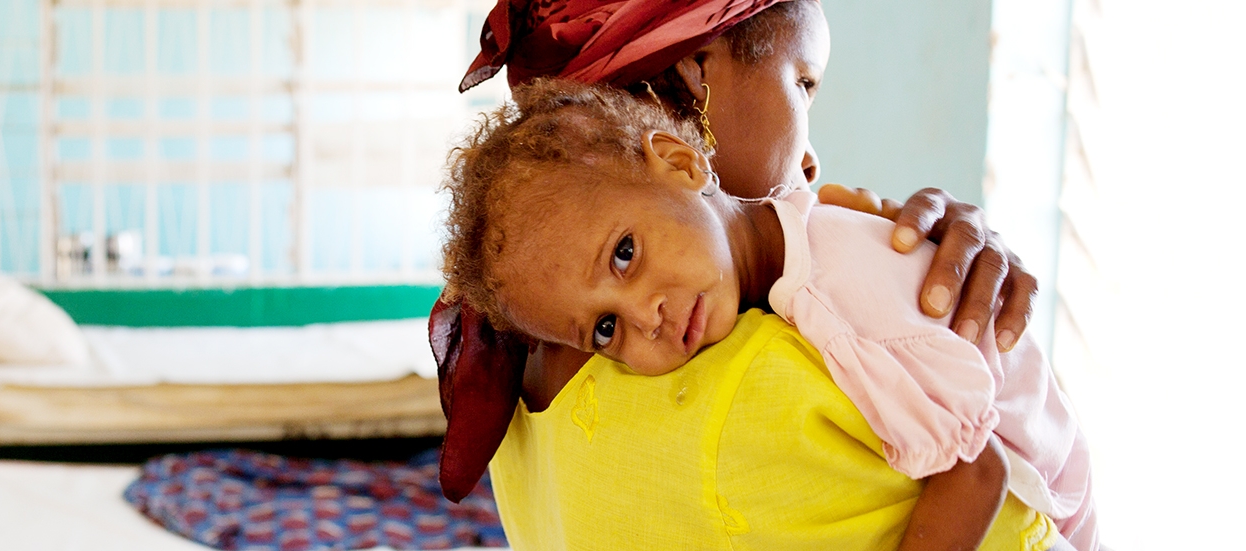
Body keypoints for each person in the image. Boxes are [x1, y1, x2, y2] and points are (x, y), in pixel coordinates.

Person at [430, 0, 1041, 516]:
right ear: (698, 73)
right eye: (803, 84)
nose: (811, 164)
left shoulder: (541, 327)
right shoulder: (735, 361)